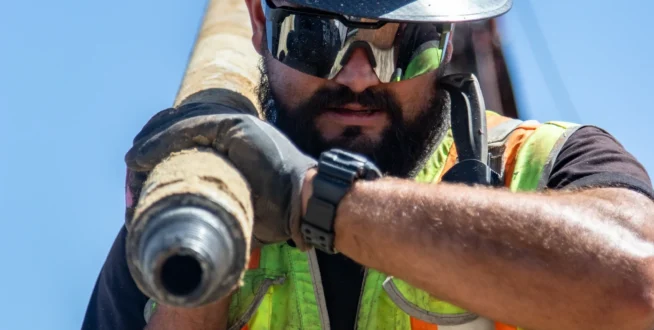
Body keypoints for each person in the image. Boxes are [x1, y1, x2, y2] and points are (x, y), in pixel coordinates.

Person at [82, 0, 654, 329]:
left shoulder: (546, 165)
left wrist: (315, 198)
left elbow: (640, 285)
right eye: (313, 36)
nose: (359, 77)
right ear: (259, 24)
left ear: (449, 39)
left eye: (407, 47)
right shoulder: (182, 222)